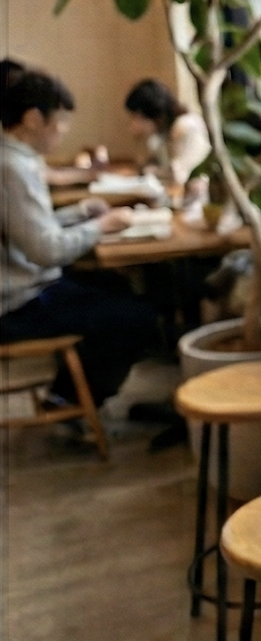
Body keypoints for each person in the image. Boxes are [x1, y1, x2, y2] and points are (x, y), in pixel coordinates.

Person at [1, 69, 156, 411]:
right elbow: (47, 250)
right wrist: (103, 226)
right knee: (138, 316)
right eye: (60, 122)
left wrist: (81, 211)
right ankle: (69, 399)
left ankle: (69, 390)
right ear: (32, 118)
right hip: (18, 303)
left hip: (20, 286)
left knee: (116, 287)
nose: (63, 131)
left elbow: (28, 230)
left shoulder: (14, 159)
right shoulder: (13, 167)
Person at [124, 78, 210, 190]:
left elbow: (178, 176)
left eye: (135, 117)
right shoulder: (162, 133)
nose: (133, 124)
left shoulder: (185, 126)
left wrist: (149, 171)